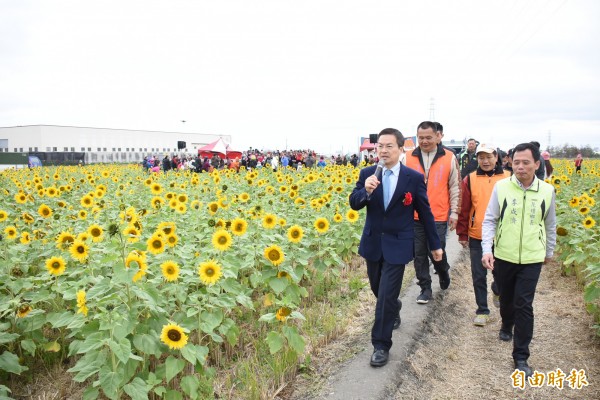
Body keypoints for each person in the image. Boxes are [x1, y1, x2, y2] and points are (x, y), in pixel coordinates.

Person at [350, 128, 442, 368]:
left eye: (389, 146)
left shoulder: (412, 178)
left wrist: (435, 244)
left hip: (398, 245)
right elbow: (354, 203)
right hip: (373, 243)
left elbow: (424, 212)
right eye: (380, 146)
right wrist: (365, 191)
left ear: (401, 149)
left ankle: (381, 345)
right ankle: (394, 308)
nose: (383, 150)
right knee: (378, 290)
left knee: (385, 297)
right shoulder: (368, 173)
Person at [482, 142, 556, 378]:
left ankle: (521, 357)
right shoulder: (501, 187)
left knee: (524, 304)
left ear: (537, 164)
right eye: (516, 162)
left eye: (526, 162)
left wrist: (549, 252)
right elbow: (490, 220)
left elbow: (550, 224)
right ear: (510, 163)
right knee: (506, 298)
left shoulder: (546, 191)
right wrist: (487, 249)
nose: (521, 167)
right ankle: (506, 324)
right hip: (504, 254)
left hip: (532, 257)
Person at [404, 121, 460, 304]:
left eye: (428, 137)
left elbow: (455, 187)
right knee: (418, 253)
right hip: (413, 215)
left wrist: (455, 213)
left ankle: (442, 270)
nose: (424, 141)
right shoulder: (408, 157)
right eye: (420, 138)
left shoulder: (449, 157)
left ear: (438, 136)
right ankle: (425, 288)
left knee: (435, 251)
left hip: (439, 214)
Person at [457, 143, 510, 327]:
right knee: (478, 275)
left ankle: (497, 288)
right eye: (481, 157)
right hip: (477, 234)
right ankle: (482, 310)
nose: (485, 161)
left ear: (497, 157)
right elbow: (464, 208)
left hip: (503, 236)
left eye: (489, 157)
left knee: (502, 274)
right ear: (477, 159)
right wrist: (462, 233)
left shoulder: (509, 177)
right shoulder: (470, 179)